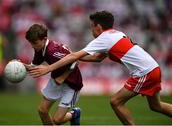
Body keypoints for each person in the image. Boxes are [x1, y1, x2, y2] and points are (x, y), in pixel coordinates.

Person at [28, 11, 172, 125]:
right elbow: (98, 58)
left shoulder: (104, 38)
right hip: (153, 68)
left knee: (116, 101)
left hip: (144, 72)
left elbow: (74, 58)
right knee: (156, 106)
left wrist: (48, 68)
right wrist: (73, 54)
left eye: (92, 26)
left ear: (98, 27)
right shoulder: (115, 34)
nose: (91, 29)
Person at [24, 24, 83, 125]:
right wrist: (21, 66)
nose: (33, 46)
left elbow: (75, 60)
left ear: (44, 39)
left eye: (34, 43)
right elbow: (34, 66)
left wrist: (62, 77)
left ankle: (74, 114)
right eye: (31, 43)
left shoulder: (52, 50)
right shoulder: (40, 48)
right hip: (56, 80)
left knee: (57, 120)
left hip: (71, 84)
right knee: (42, 111)